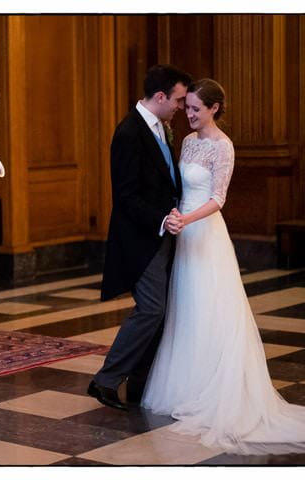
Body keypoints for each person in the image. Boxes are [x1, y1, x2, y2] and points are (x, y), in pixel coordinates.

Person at [141, 78, 305, 454]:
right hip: (183, 230)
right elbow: (179, 188)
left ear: (214, 109)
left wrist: (187, 220)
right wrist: (174, 216)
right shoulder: (189, 142)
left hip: (205, 234)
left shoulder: (223, 147)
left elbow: (218, 199)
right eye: (187, 107)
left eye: (195, 108)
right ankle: (187, 386)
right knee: (187, 311)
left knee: (212, 310)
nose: (188, 114)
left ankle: (217, 391)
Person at [88, 65, 192, 410]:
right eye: (178, 99)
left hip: (163, 233)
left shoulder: (161, 127)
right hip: (140, 238)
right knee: (151, 309)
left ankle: (140, 384)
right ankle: (105, 380)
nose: (181, 106)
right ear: (160, 97)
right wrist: (162, 218)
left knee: (160, 312)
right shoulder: (129, 133)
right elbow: (126, 195)